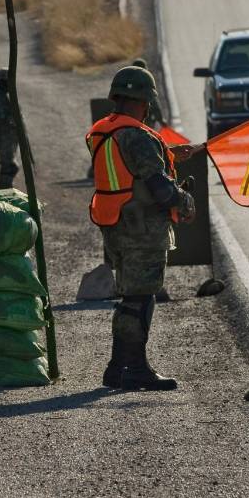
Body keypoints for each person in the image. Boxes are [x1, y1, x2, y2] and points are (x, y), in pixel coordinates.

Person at [86, 65, 203, 391]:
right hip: (142, 230)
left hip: (117, 227)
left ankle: (117, 368)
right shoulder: (138, 136)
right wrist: (184, 202)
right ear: (144, 101)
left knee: (130, 298)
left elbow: (131, 170)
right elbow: (159, 188)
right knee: (141, 299)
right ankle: (135, 368)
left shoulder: (105, 131)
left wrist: (167, 154)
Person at [130, 58, 164, 127]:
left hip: (128, 122)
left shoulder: (127, 83)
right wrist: (160, 119)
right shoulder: (146, 84)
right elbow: (154, 104)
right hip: (144, 123)